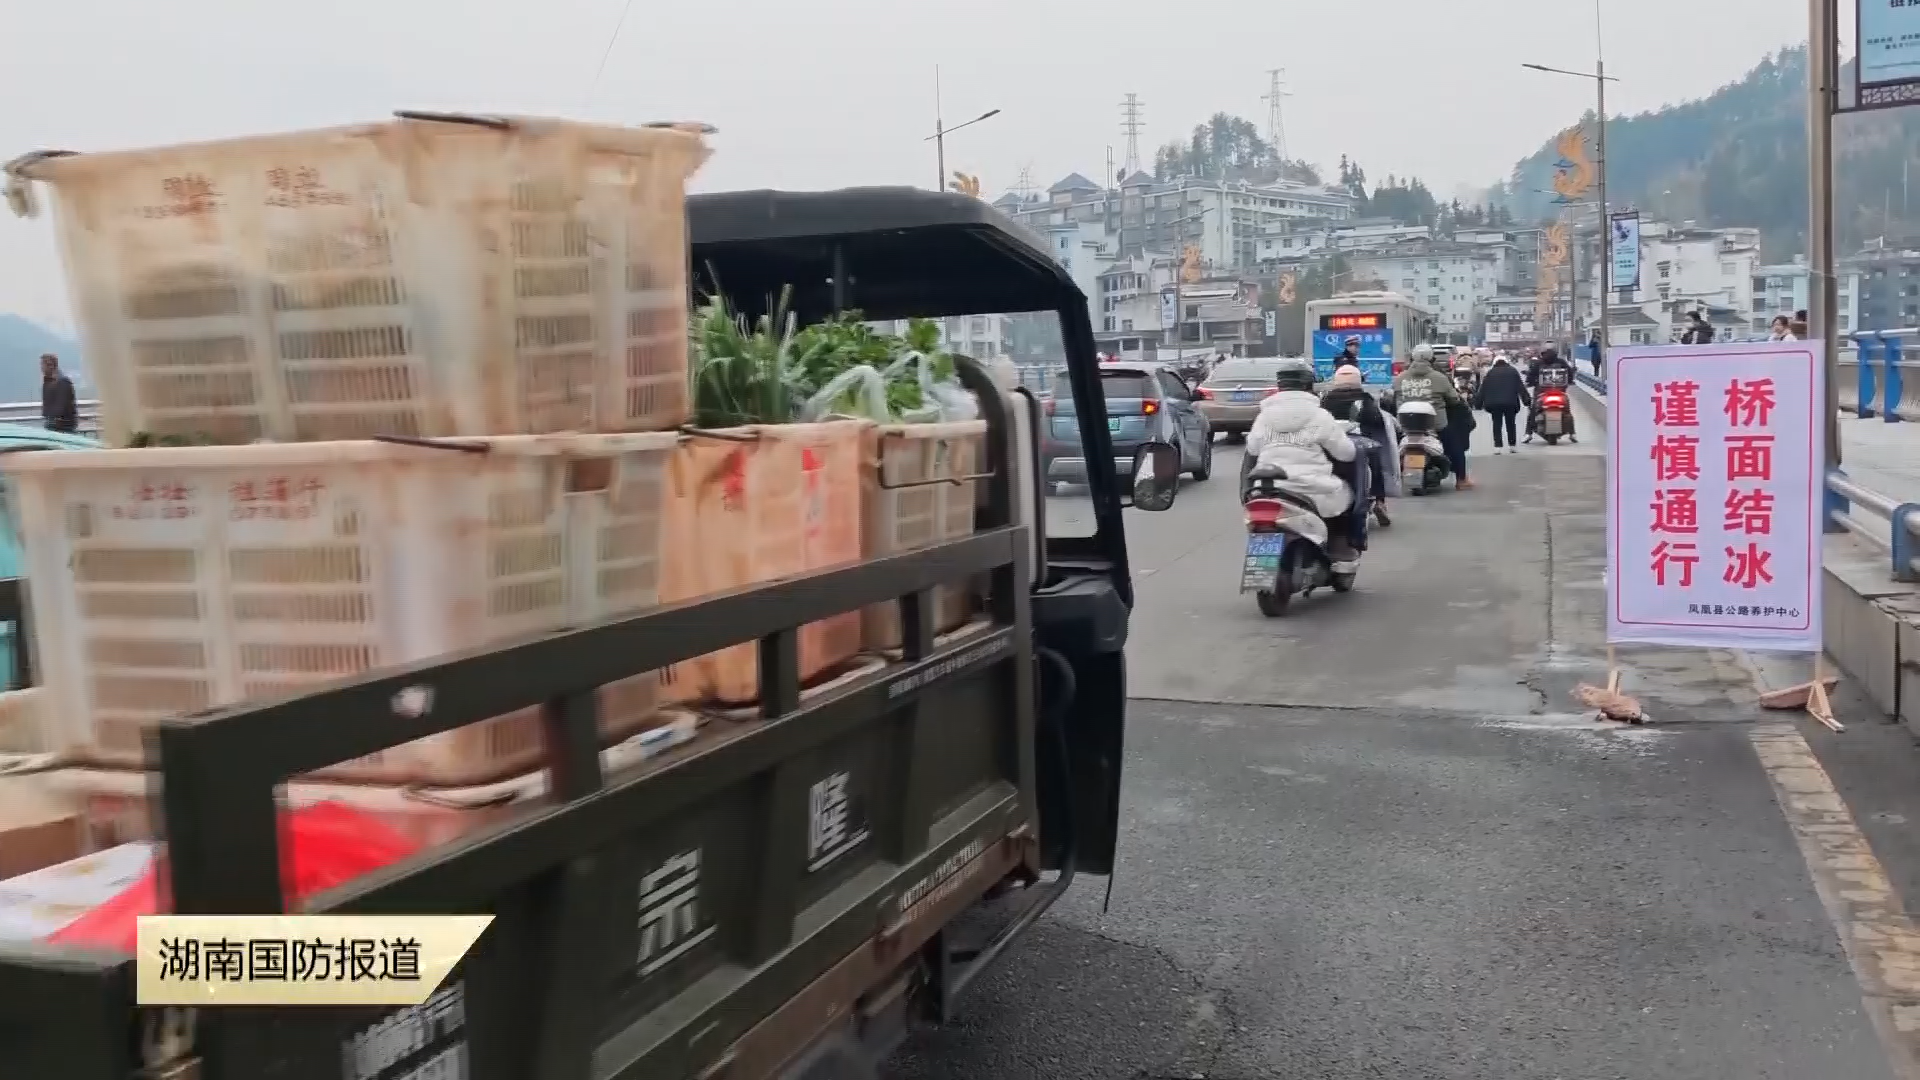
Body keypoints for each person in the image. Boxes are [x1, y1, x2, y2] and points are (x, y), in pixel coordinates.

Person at [1246, 359, 1365, 555]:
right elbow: (1345, 454)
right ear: (1309, 386)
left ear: (1279, 386)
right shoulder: (1320, 416)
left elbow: (1253, 449)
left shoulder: (1264, 416)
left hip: (1268, 488)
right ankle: (1340, 549)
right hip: (1313, 488)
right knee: (1346, 497)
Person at [1320, 365, 1396, 525]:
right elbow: (1374, 418)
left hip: (1332, 442)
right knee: (1375, 463)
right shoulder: (1364, 398)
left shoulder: (1327, 399)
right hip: (1361, 442)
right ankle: (1379, 501)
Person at [1474, 352, 1529, 454]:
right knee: (1511, 424)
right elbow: (1521, 387)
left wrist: (1478, 403)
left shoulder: (1490, 373)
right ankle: (1512, 446)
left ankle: (1498, 447)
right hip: (1510, 403)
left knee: (1497, 424)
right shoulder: (1513, 371)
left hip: (1495, 404)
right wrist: (1527, 400)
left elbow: (1483, 389)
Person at [1524, 345, 1577, 444]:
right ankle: (1572, 433)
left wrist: (1529, 382)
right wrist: (1570, 381)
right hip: (1559, 391)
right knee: (1567, 410)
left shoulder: (1538, 363)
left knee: (1533, 411)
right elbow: (1570, 373)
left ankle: (1528, 433)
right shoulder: (1561, 362)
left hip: (1541, 392)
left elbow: (1531, 376)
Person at [40, 353, 77, 434]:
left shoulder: (63, 381)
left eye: (43, 365)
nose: (41, 368)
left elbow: (62, 405)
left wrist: (55, 418)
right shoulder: (48, 381)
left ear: (50, 365)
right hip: (52, 422)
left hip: (62, 425)